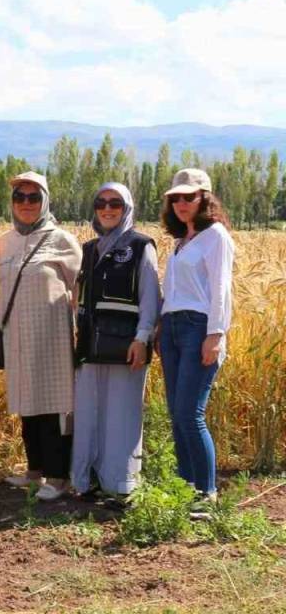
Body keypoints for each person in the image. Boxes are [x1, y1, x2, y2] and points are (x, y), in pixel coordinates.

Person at [0, 171, 82, 501]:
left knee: (54, 404)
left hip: (52, 337)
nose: (26, 204)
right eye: (20, 197)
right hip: (16, 335)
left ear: (45, 200)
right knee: (26, 402)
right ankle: (34, 471)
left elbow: (79, 288)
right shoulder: (4, 242)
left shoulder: (61, 240)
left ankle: (58, 476)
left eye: (33, 197)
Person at [71, 182, 160, 501]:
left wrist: (142, 337)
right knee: (89, 413)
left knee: (122, 415)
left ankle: (120, 485)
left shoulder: (140, 246)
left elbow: (151, 297)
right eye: (101, 203)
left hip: (126, 347)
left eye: (116, 203)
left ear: (128, 209)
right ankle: (87, 481)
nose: (107, 209)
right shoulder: (88, 249)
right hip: (90, 349)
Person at [158, 168, 234, 516]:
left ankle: (207, 492)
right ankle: (184, 486)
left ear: (205, 197)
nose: (182, 203)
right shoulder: (181, 241)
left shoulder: (215, 235)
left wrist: (215, 335)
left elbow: (220, 289)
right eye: (176, 198)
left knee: (191, 413)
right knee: (177, 413)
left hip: (197, 328)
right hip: (172, 328)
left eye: (189, 197)